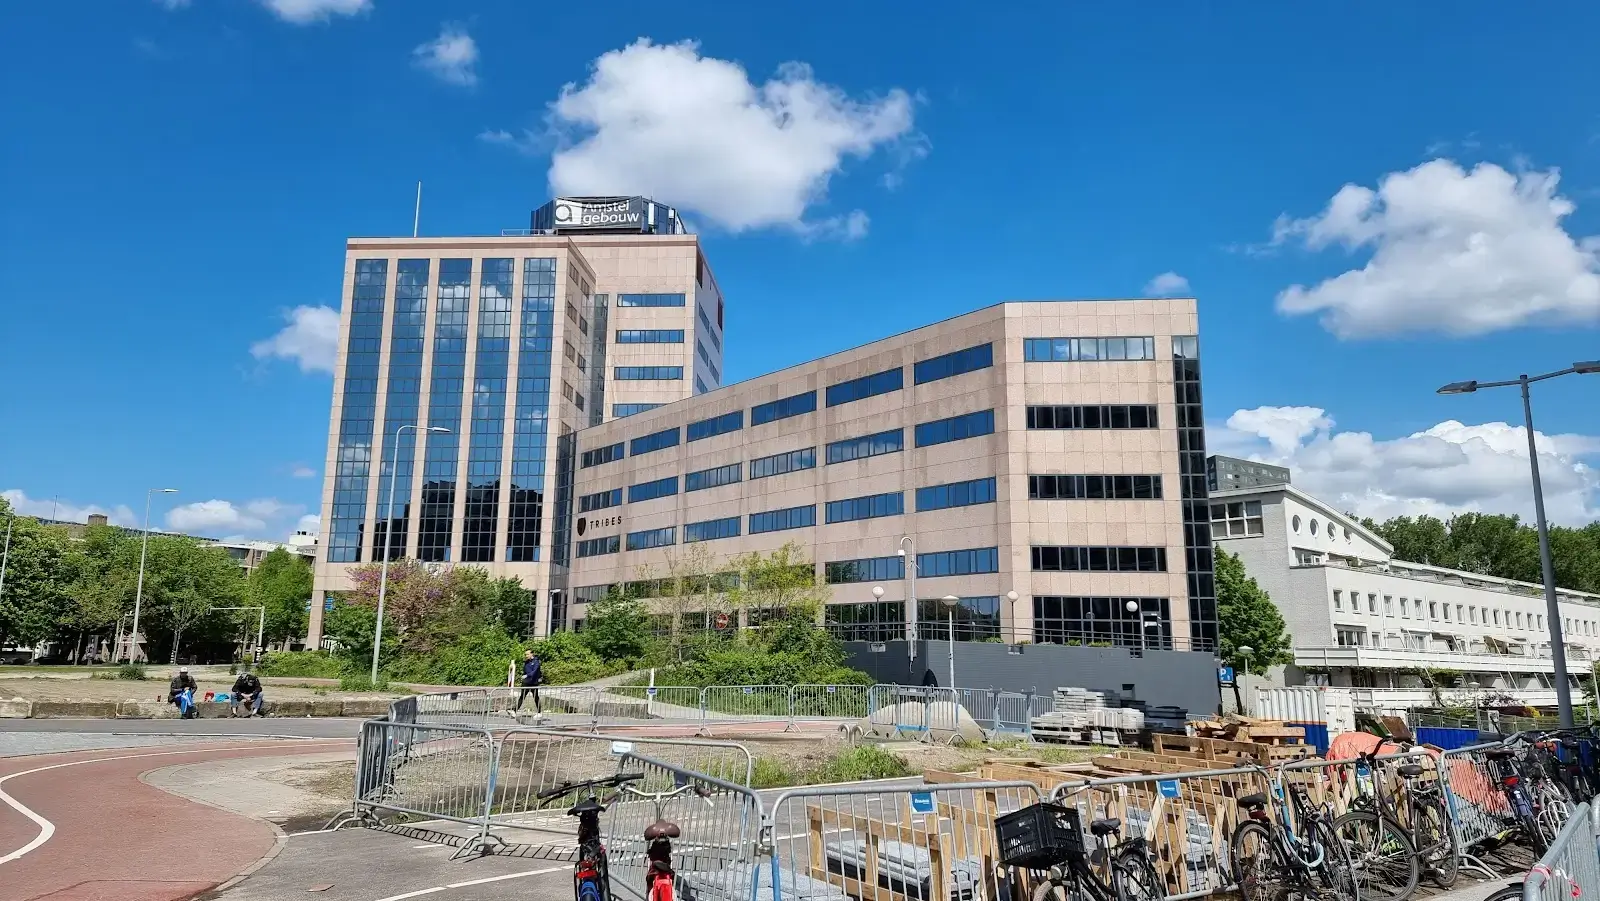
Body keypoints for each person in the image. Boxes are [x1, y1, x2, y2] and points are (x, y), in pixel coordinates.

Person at [514, 649, 542, 716]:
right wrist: (524, 677)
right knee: (522, 697)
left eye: (527, 654)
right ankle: (514, 711)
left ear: (532, 654)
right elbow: (525, 671)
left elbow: (534, 672)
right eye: (525, 654)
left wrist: (527, 675)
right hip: (526, 682)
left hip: (533, 683)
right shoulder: (526, 662)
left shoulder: (536, 662)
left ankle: (539, 712)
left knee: (536, 697)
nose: (526, 656)